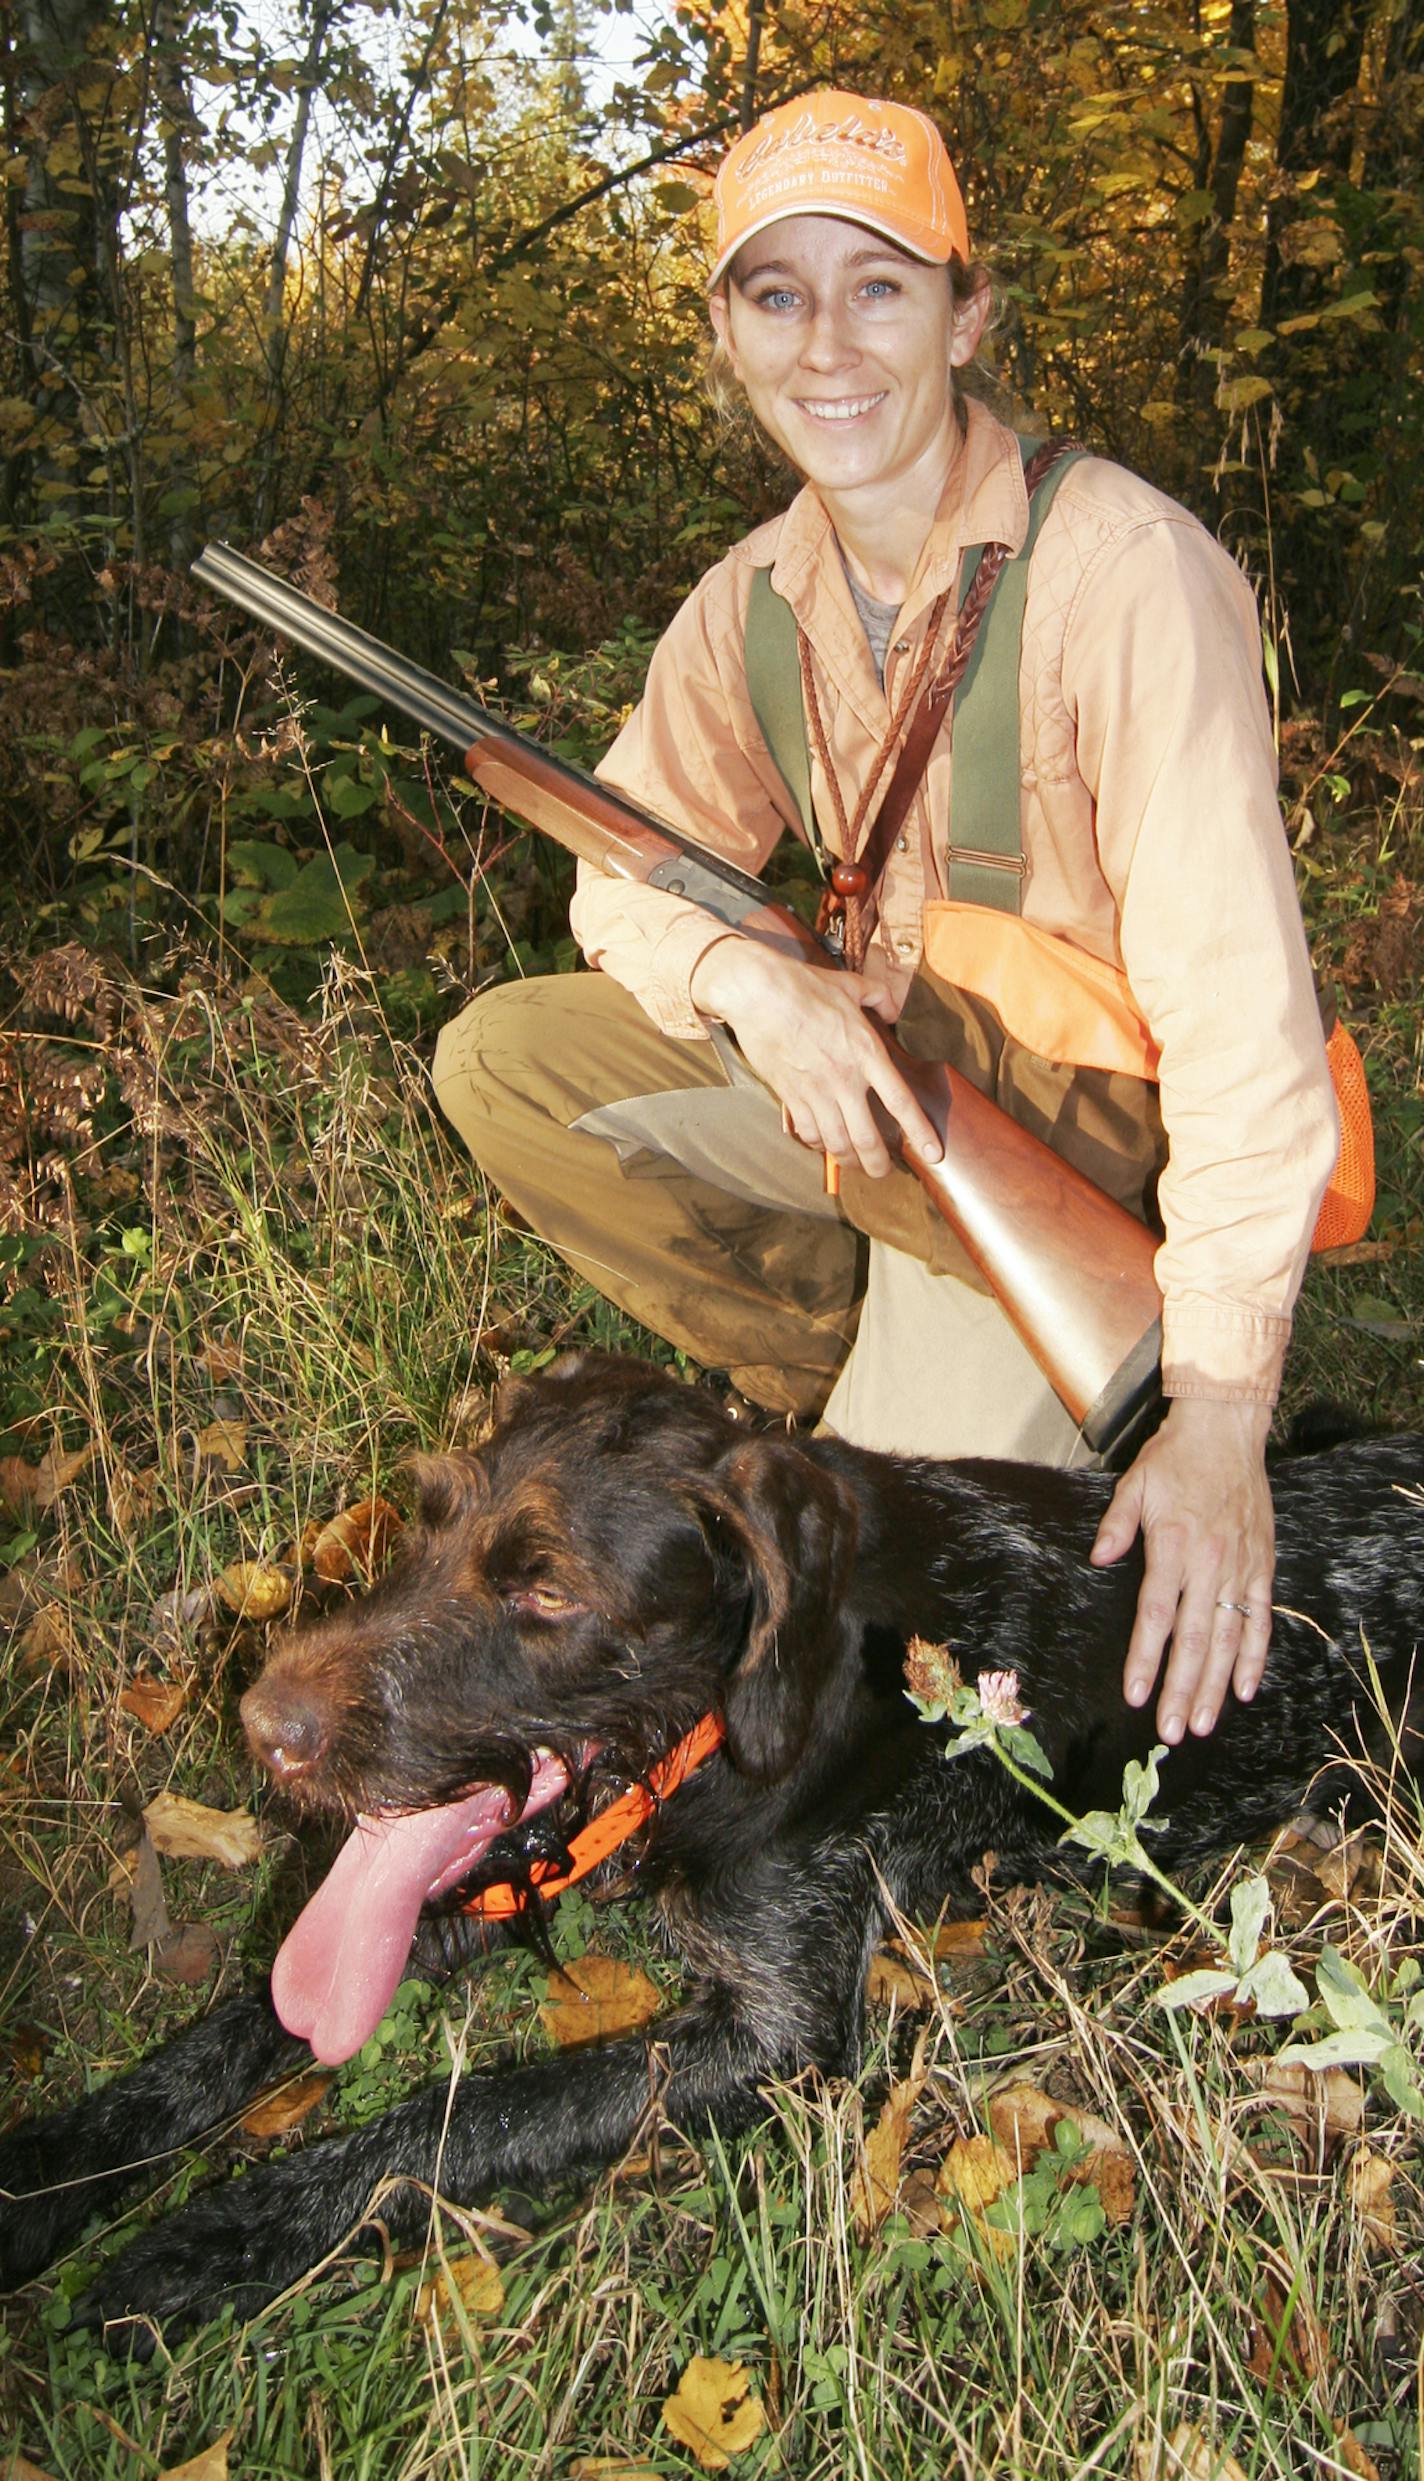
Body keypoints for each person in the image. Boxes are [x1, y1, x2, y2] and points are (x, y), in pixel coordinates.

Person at [432, 90, 1339, 1750]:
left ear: (965, 312)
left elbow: (1242, 1023)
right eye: (776, 294)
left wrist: (1216, 1411)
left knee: (876, 1611)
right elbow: (619, 866)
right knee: (505, 1059)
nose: (827, 345)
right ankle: (854, 1337)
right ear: (726, 331)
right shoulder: (749, 604)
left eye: (879, 286)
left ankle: (1035, 1368)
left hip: (1094, 1150)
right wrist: (743, 978)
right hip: (898, 1124)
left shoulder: (1122, 572)